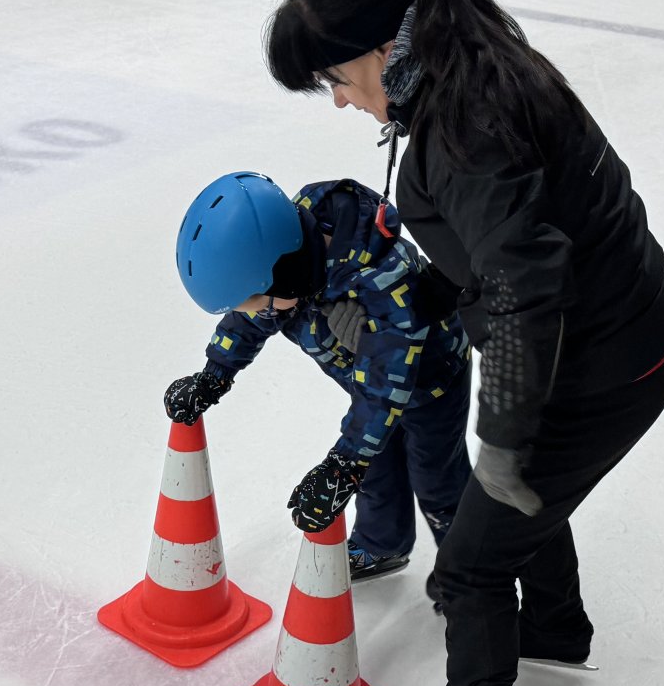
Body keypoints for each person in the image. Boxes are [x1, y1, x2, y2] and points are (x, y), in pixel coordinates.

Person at [266, 0, 664, 686]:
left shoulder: (463, 127)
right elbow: (504, 248)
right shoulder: (469, 58)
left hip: (599, 365)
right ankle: (557, 628)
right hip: (623, 336)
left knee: (471, 562)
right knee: (522, 501)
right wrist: (434, 300)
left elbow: (523, 283)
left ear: (383, 50)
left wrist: (501, 435)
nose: (339, 100)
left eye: (336, 78)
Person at [166, 171, 471, 591]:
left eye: (253, 301)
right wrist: (214, 374)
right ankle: (382, 544)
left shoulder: (385, 282)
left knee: (438, 479)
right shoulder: (291, 260)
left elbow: (384, 389)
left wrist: (342, 466)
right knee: (376, 464)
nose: (254, 312)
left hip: (431, 385)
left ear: (283, 274)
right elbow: (250, 322)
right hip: (367, 381)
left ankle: (469, 574)